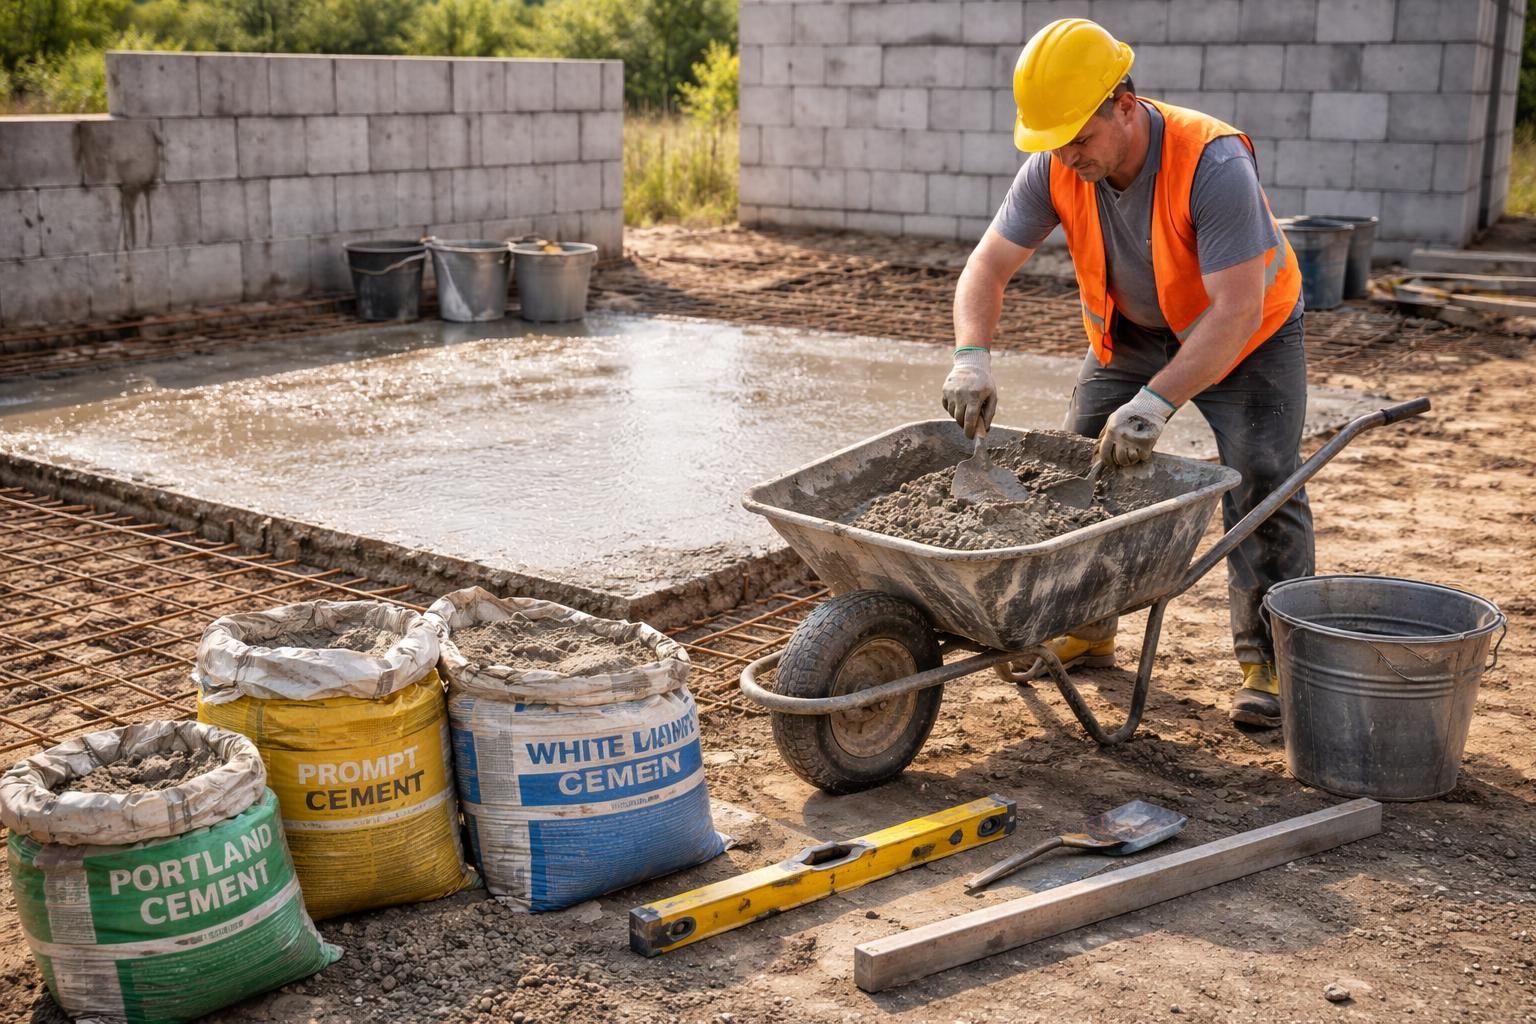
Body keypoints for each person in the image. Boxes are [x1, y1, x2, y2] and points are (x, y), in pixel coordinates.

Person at [940, 17, 1311, 729]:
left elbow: (1235, 309)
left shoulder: (1213, 161)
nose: (1069, 155)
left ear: (1125, 104)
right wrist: (971, 357)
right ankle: (1088, 623)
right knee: (1079, 460)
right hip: (1133, 332)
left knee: (1264, 476)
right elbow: (986, 266)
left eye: (1081, 137)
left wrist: (1156, 404)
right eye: (1056, 142)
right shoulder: (1055, 163)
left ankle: (1271, 657)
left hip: (1248, 333)